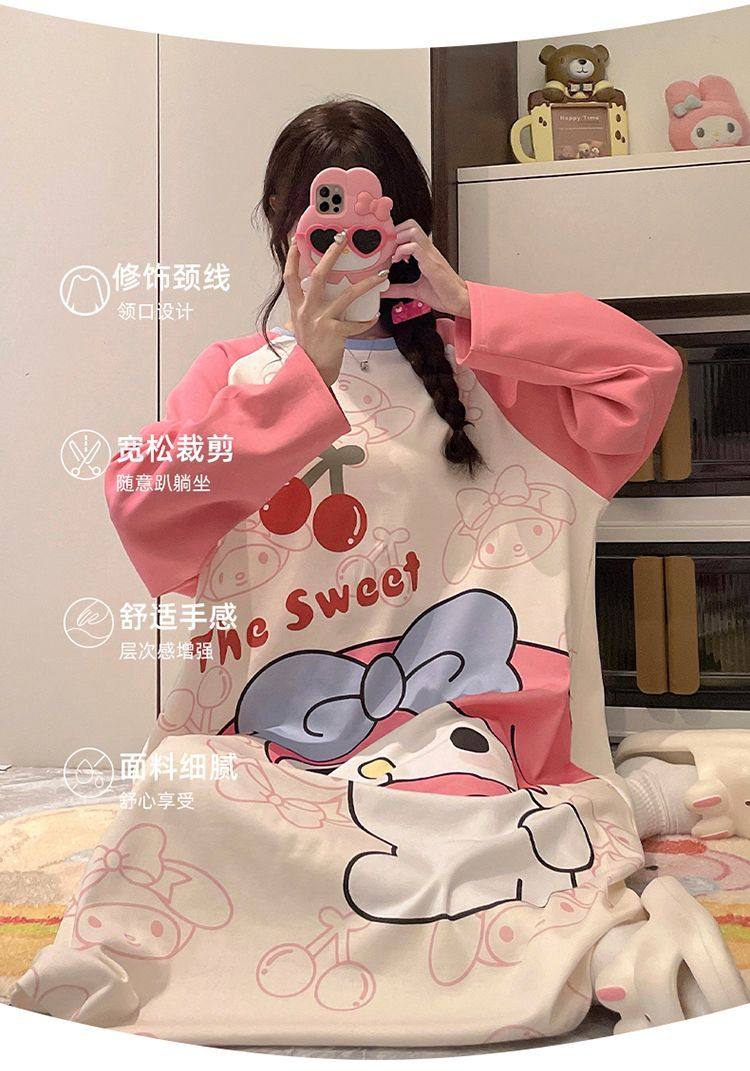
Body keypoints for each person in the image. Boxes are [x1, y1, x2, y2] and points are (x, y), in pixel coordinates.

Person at [12, 99, 747, 1043]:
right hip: (278, 758)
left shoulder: (498, 376)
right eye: (322, 230)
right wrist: (301, 378)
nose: (345, 255)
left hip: (465, 762)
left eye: (370, 231)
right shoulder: (237, 375)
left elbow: (644, 369)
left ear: (411, 230)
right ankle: (570, 835)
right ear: (281, 230)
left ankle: (574, 828)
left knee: (498, 822)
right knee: (179, 787)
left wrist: (467, 303)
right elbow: (141, 506)